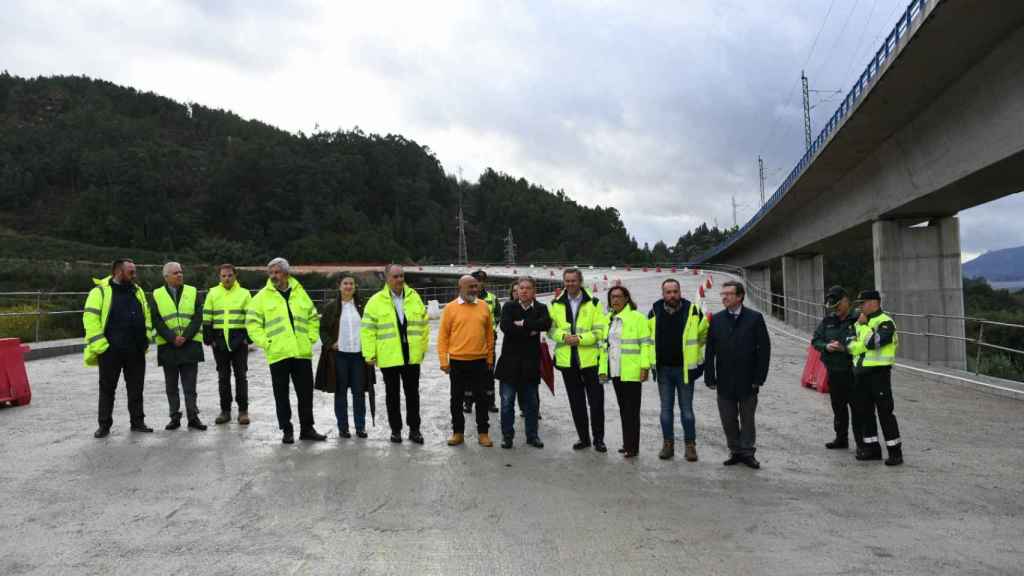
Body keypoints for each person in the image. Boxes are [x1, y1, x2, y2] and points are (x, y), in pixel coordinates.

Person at [246, 258, 326, 444]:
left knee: (305, 394)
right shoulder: (262, 297)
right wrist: (266, 342)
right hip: (278, 353)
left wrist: (311, 337)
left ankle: (307, 429)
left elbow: (313, 317)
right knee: (281, 395)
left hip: (301, 352)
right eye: (271, 273)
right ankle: (286, 430)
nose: (273, 276)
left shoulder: (300, 292)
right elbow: (252, 324)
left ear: (286, 273)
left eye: (277, 272)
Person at [83, 258, 155, 437]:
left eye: (134, 271)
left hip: (135, 350)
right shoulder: (99, 292)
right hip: (110, 351)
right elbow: (90, 320)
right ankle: (104, 425)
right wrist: (102, 346)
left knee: (136, 389)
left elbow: (146, 315)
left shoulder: (137, 291)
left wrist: (145, 339)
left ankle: (138, 422)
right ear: (118, 272)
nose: (134, 275)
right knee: (107, 389)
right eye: (131, 272)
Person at [705, 280, 771, 469]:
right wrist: (710, 376)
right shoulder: (716, 319)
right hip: (724, 379)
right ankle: (735, 450)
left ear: (740, 296)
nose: (724, 297)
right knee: (728, 418)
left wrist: (760, 378)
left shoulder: (754, 318)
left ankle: (747, 453)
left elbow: (764, 349)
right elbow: (710, 350)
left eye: (729, 294)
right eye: (723, 294)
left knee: (748, 419)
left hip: (748, 379)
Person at [362, 264, 430, 444]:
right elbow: (367, 330)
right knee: (392, 396)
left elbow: (424, 324)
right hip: (389, 356)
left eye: (402, 276)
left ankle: (414, 430)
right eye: (396, 276)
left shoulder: (414, 297)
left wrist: (422, 348)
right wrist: (369, 354)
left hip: (411, 355)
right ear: (387, 279)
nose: (400, 279)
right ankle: (396, 430)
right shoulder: (375, 301)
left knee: (413, 395)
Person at [648, 278, 709, 462]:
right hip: (663, 370)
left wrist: (694, 355)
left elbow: (703, 334)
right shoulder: (654, 312)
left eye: (675, 291)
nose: (672, 295)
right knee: (666, 410)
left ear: (680, 292)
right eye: (668, 292)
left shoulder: (693, 311)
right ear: (663, 294)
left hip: (684, 370)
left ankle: (690, 445)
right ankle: (668, 445)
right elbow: (648, 338)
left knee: (687, 411)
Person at [549, 268, 609, 452]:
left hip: (590, 360)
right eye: (567, 281)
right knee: (576, 402)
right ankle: (584, 438)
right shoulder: (556, 304)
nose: (570, 284)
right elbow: (551, 329)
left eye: (573, 280)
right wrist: (563, 337)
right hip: (568, 361)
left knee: (596, 402)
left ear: (580, 281)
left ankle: (599, 439)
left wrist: (580, 339)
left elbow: (600, 331)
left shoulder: (594, 303)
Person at [846, 290, 903, 466]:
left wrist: (864, 329)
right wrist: (862, 342)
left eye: (862, 303)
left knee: (885, 413)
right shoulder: (860, 322)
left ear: (874, 303)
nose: (860, 307)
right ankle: (872, 450)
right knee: (865, 413)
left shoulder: (885, 322)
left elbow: (874, 342)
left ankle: (895, 453)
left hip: (879, 374)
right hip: (861, 374)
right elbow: (849, 344)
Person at [438, 275, 496, 447]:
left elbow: (489, 335)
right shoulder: (450, 308)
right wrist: (443, 361)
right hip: (457, 362)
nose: (474, 289)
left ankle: (483, 433)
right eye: (470, 286)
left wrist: (490, 357)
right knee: (456, 398)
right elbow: (443, 337)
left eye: (475, 286)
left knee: (482, 398)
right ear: (460, 288)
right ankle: (458, 432)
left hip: (480, 361)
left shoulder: (484, 306)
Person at [495, 276, 551, 449]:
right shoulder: (509, 306)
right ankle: (507, 436)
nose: (524, 291)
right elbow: (506, 327)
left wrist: (524, 323)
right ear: (517, 290)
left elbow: (545, 324)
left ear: (534, 291)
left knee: (532, 404)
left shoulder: (541, 308)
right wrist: (530, 330)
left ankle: (532, 436)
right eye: (521, 288)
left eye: (528, 288)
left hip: (530, 364)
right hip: (509, 364)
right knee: (507, 403)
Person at [316, 275, 374, 439]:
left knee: (359, 393)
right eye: (345, 283)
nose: (348, 286)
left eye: (351, 284)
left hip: (359, 356)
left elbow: (370, 328)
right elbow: (322, 329)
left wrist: (371, 350)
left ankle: (360, 427)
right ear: (339, 286)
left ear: (355, 287)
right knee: (340, 392)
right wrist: (330, 343)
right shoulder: (331, 307)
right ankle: (343, 428)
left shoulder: (362, 306)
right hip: (339, 356)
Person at [151, 262, 206, 431]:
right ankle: (174, 418)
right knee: (171, 387)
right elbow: (156, 319)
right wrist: (172, 338)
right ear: (166, 277)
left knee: (190, 387)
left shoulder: (192, 291)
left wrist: (185, 336)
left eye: (181, 272)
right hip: (168, 347)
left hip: (190, 346)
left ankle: (193, 417)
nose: (180, 275)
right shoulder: (157, 294)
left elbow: (198, 316)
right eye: (175, 273)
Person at [599, 285, 651, 458]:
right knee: (623, 409)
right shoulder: (609, 319)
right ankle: (627, 443)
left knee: (632, 411)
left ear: (626, 298)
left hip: (632, 371)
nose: (615, 300)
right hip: (615, 371)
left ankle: (632, 447)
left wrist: (645, 367)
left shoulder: (637, 318)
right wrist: (603, 370)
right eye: (612, 297)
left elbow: (646, 344)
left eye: (619, 296)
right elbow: (604, 347)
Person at [811, 286, 860, 450]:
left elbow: (865, 343)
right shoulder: (828, 320)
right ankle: (841, 438)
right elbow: (815, 340)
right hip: (834, 372)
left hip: (854, 372)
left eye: (838, 306)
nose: (835, 310)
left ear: (846, 301)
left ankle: (862, 442)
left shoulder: (858, 319)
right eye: (833, 307)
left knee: (858, 409)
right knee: (838, 407)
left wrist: (844, 348)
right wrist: (826, 346)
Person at [203, 263, 252, 426]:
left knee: (241, 376)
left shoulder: (244, 293)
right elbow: (207, 316)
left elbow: (251, 317)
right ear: (219, 277)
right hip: (219, 341)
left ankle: (243, 411)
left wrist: (247, 338)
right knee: (223, 377)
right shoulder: (212, 293)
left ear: (235, 276)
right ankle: (225, 411)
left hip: (239, 340)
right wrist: (209, 339)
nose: (227, 278)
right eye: (223, 276)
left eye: (230, 275)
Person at [463, 269, 501, 414]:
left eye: (482, 281)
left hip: (488, 342)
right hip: (469, 341)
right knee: (469, 374)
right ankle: (468, 402)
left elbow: (498, 316)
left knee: (489, 372)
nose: (479, 284)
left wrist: (490, 329)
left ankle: (490, 402)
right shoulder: (465, 298)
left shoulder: (492, 298)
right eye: (476, 281)